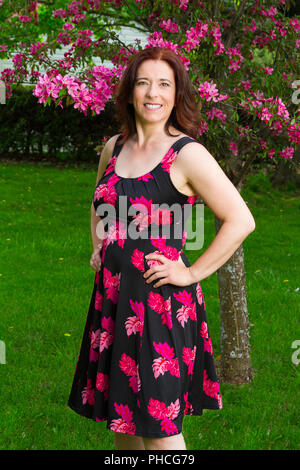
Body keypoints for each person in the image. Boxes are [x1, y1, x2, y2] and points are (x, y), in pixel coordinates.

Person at [68, 46, 255, 451]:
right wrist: (98, 246)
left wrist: (189, 273)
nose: (153, 92)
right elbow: (98, 202)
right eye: (144, 82)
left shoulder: (187, 155)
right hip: (115, 302)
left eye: (164, 84)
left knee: (160, 429)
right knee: (125, 424)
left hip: (160, 306)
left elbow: (241, 220)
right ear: (131, 92)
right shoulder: (114, 147)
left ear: (176, 94)